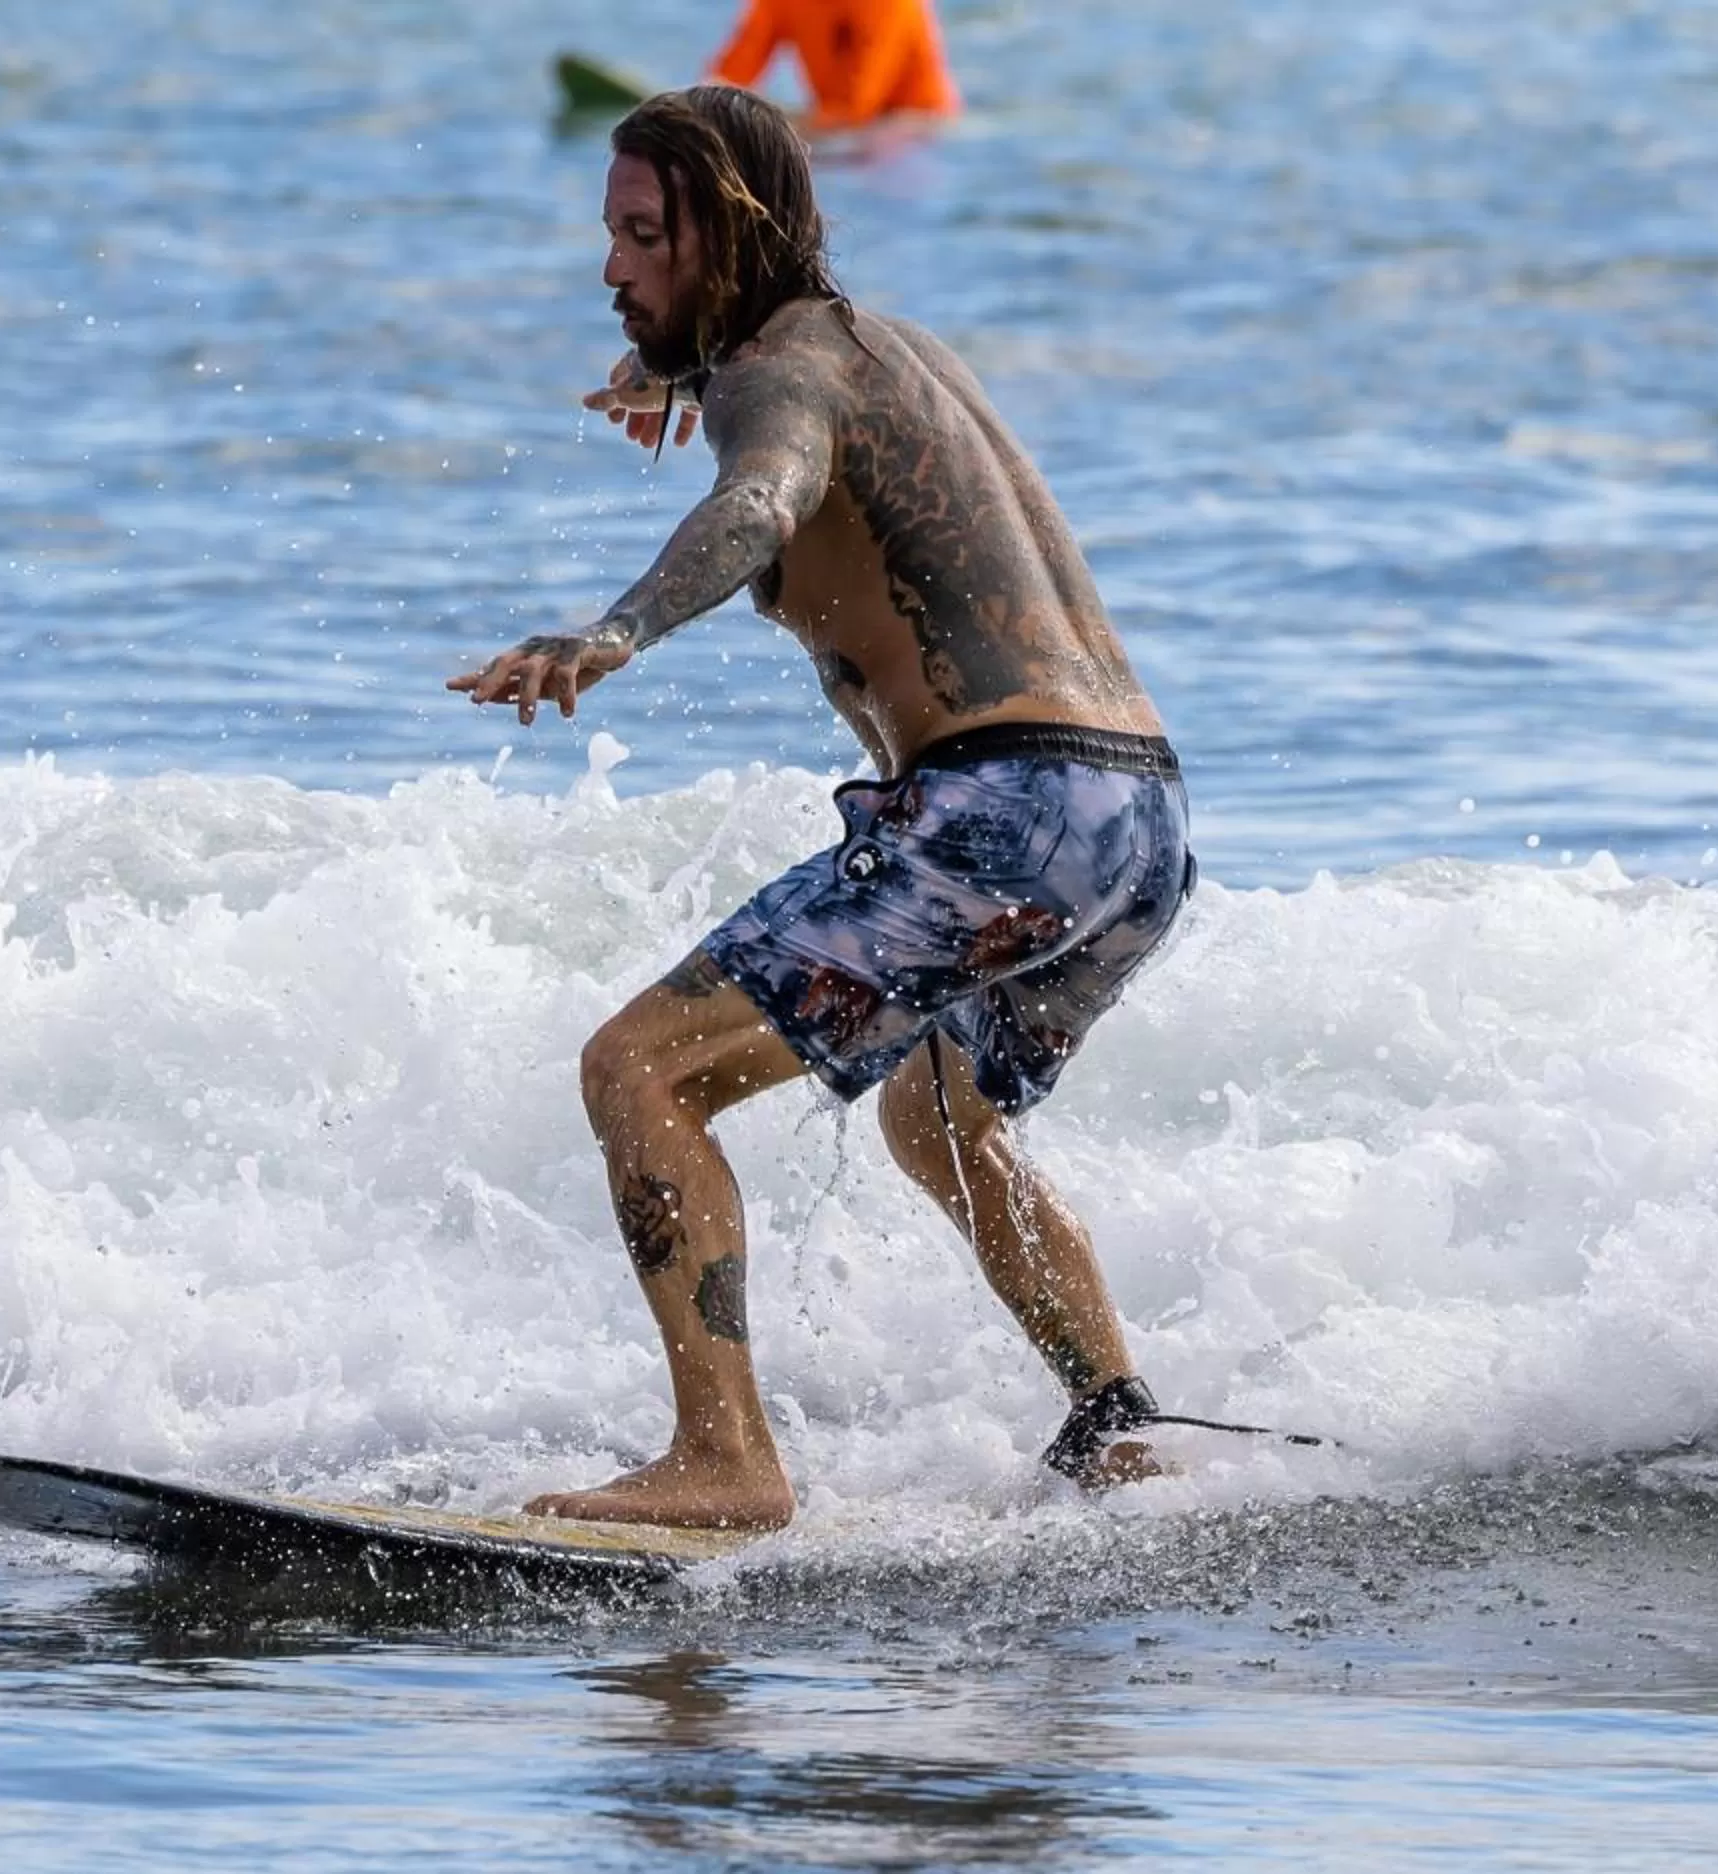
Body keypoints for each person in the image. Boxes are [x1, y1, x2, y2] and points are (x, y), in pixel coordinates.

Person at [447, 85, 1190, 1529]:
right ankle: (1114, 1419)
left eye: (644, 237)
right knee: (940, 1115)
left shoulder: (773, 385)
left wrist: (610, 633)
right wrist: (665, 382)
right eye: (610, 235)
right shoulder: (889, 353)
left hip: (1007, 809)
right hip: (1136, 825)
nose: (613, 269)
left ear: (726, 232)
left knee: (641, 1073)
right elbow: (804, 433)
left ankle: (724, 1460)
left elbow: (763, 503)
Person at [706, 0, 960, 134]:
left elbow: (858, 108)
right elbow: (727, 79)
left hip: (916, 127)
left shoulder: (889, 3)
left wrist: (768, 129)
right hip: (836, 126)